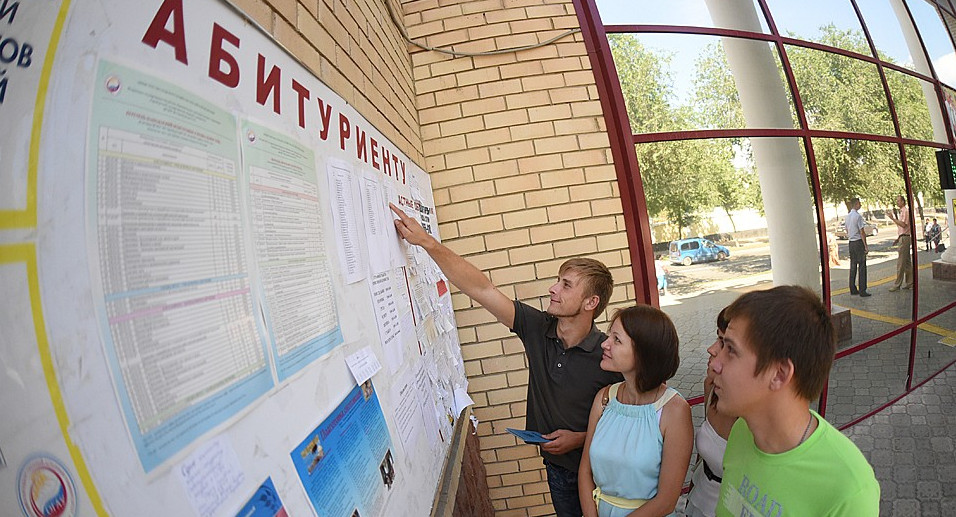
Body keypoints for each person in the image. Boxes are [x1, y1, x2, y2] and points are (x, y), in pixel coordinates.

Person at [389, 204, 622, 517]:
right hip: (558, 471)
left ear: (591, 302)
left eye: (566, 285)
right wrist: (427, 242)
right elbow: (482, 289)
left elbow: (628, 422)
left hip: (602, 474)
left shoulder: (607, 354)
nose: (553, 288)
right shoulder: (538, 328)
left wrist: (580, 438)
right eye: (558, 280)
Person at [710, 286, 880, 516]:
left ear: (779, 374)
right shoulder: (742, 432)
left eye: (730, 349)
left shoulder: (848, 489)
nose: (714, 364)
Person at [578, 305, 693, 517]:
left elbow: (666, 501)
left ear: (644, 353)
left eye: (617, 339)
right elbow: (585, 471)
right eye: (609, 335)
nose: (605, 344)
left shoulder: (674, 410)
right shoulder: (604, 398)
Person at [685, 308, 738, 517]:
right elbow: (702, 457)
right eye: (717, 339)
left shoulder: (756, 418)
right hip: (698, 502)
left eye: (726, 344)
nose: (711, 349)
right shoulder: (712, 387)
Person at [887, 195, 913, 291]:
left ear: (903, 201)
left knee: (901, 262)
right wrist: (898, 238)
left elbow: (903, 224)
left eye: (898, 201)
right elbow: (902, 228)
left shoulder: (905, 211)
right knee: (906, 262)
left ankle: (897, 284)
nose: (897, 202)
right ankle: (910, 283)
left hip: (905, 239)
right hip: (903, 237)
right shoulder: (902, 211)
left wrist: (892, 218)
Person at [845, 198, 870, 297]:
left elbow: (847, 229)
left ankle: (852, 288)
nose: (860, 205)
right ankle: (862, 290)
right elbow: (862, 232)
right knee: (862, 266)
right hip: (858, 242)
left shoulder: (847, 217)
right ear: (856, 204)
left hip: (851, 243)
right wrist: (865, 246)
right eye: (859, 203)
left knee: (853, 266)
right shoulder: (858, 216)